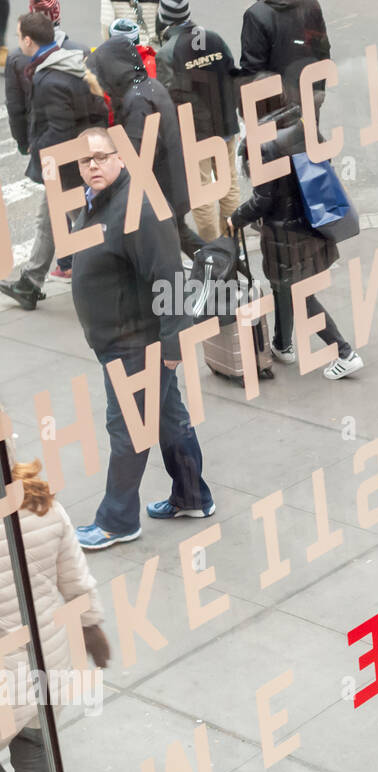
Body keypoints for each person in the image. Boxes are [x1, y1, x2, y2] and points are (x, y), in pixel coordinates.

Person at [69, 126, 215, 550]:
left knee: (128, 429)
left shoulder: (141, 209)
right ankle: (192, 496)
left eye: (100, 157)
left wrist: (172, 348)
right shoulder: (101, 200)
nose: (92, 165)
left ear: (121, 158)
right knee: (169, 419)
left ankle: (117, 521)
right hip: (121, 339)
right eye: (85, 160)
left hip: (137, 345)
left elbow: (169, 278)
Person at [1, 459, 112, 772]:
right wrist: (92, 627)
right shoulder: (42, 504)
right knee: (34, 746)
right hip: (46, 661)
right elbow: (75, 579)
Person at [229, 89, 363, 380]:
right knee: (285, 287)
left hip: (283, 235)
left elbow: (263, 199)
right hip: (312, 223)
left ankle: (344, 353)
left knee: (299, 294)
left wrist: (235, 218)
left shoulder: (263, 143)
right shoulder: (302, 124)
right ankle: (282, 344)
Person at [0, 10, 108, 311]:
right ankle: (31, 283)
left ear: (28, 40)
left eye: (20, 35)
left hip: (66, 166)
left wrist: (36, 148)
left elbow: (60, 131)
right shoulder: (66, 61)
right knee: (48, 218)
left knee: (86, 227)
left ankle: (112, 287)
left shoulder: (49, 79)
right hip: (73, 161)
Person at [88, 36, 205, 259]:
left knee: (173, 242)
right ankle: (224, 269)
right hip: (172, 183)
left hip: (160, 190)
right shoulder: (149, 85)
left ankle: (221, 268)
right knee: (180, 236)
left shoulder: (137, 99)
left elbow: (136, 152)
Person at [156, 0, 241, 244]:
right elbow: (231, 72)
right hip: (224, 123)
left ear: (164, 16)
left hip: (196, 131)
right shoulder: (213, 37)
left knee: (202, 191)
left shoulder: (168, 52)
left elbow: (168, 98)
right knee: (229, 184)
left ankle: (214, 249)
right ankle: (234, 243)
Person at [240, 0, 329, 112]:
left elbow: (253, 72)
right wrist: (317, 92)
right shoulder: (310, 4)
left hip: (278, 108)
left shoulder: (256, 14)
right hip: (309, 96)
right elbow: (323, 51)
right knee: (309, 128)